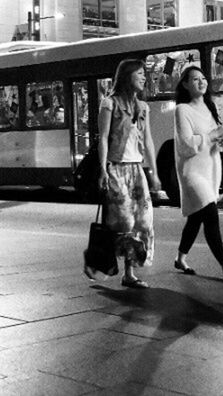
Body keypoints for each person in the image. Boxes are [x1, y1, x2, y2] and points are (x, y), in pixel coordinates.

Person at [173, 66, 223, 282]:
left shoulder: (210, 108)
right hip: (191, 172)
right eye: (195, 79)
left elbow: (215, 146)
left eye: (203, 78)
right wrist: (213, 134)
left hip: (210, 171)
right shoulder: (182, 110)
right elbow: (186, 146)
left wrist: (222, 141)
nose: (201, 82)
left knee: (196, 217)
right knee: (210, 213)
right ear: (185, 84)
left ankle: (180, 258)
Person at [96, 59, 161, 289]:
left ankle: (129, 273)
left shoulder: (143, 107)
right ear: (127, 76)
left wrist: (153, 172)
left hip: (136, 170)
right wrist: (103, 169)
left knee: (143, 222)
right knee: (124, 222)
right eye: (140, 73)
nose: (145, 77)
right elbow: (103, 138)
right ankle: (108, 261)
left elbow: (149, 141)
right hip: (117, 169)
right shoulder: (109, 104)